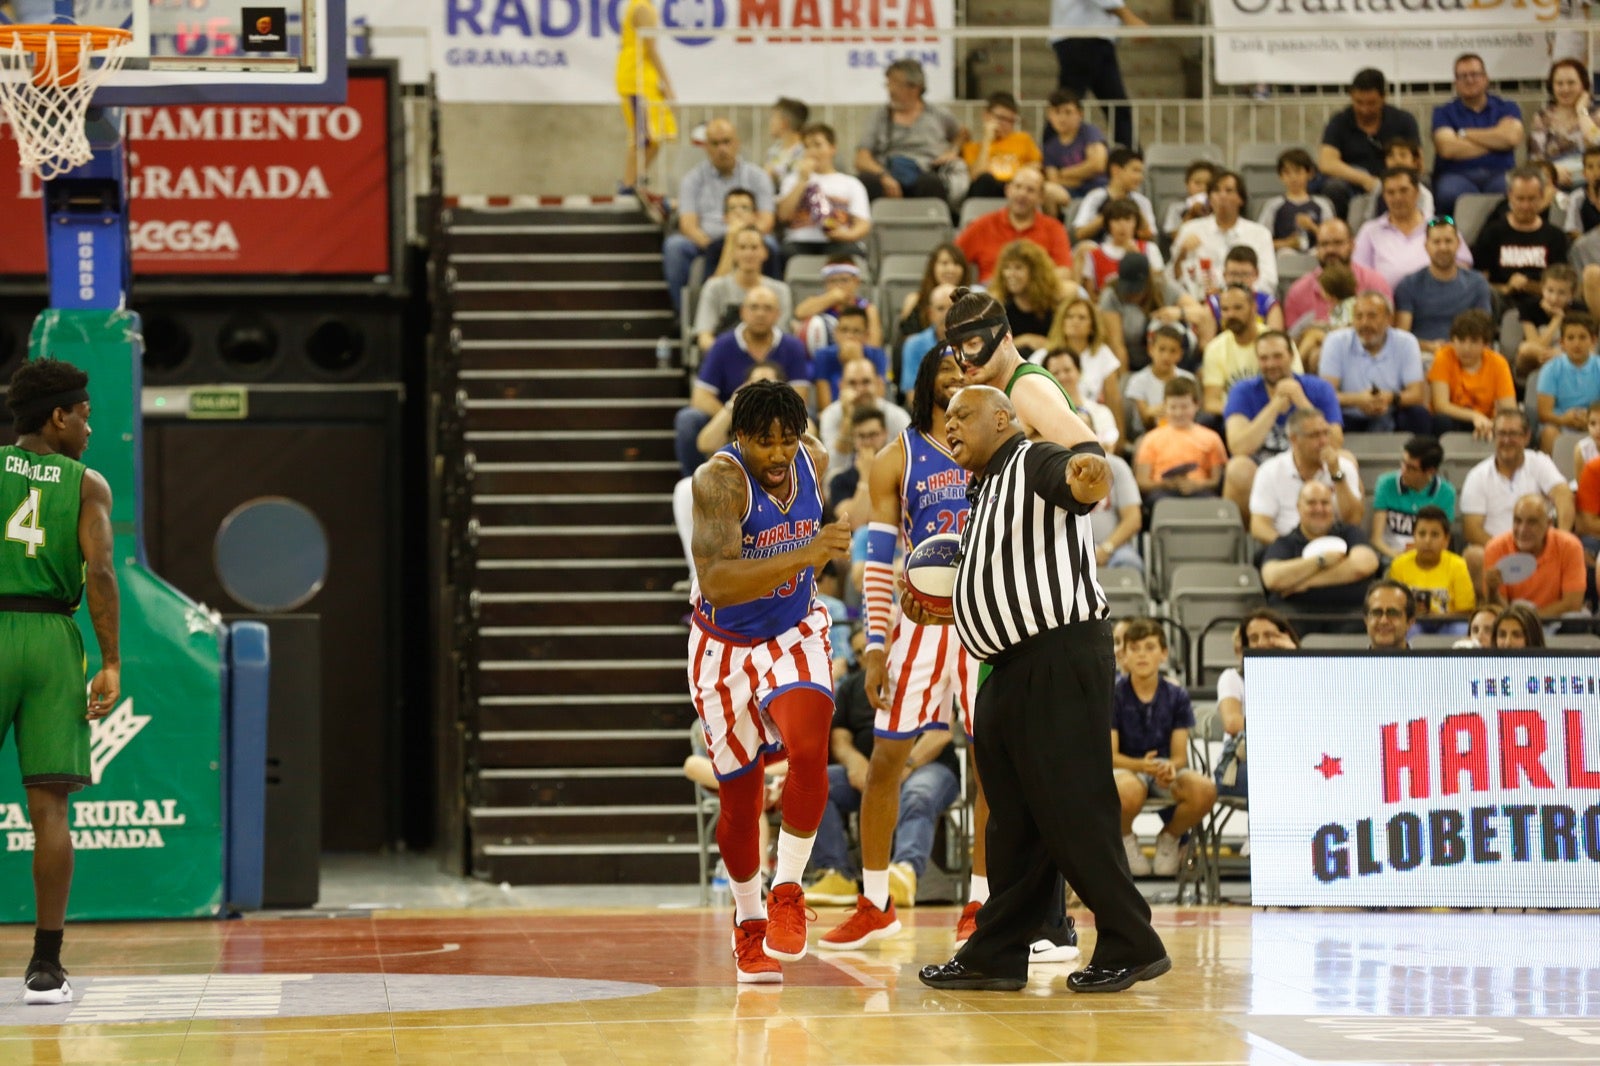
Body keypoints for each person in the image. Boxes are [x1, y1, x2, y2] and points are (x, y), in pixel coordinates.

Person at [917, 385, 1170, 994]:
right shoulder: (982, 491)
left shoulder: (1031, 459)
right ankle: (997, 952)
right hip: (1007, 667)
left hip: (1056, 655)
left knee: (1073, 807)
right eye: (945, 419)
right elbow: (999, 581)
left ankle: (1131, 940)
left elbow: (1077, 483)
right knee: (1015, 825)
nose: (949, 426)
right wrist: (945, 607)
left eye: (963, 416)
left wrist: (1087, 474)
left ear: (1004, 418)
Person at [686, 380, 853, 983]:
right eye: (764, 443)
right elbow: (720, 583)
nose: (779, 455)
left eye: (787, 440)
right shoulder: (720, 481)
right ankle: (749, 920)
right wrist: (809, 553)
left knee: (810, 747)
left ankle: (787, 891)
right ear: (739, 439)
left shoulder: (815, 459)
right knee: (740, 795)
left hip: (794, 631)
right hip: (723, 645)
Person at [818, 351, 984, 951]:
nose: (958, 380)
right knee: (887, 758)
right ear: (924, 384)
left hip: (988, 622)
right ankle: (875, 901)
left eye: (967, 373)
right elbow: (882, 563)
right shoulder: (897, 457)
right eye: (947, 373)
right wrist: (876, 646)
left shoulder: (997, 443)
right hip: (920, 625)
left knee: (992, 765)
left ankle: (982, 904)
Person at [0, 358, 120, 1006]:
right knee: (49, 810)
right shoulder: (86, 484)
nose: (89, 429)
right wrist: (111, 660)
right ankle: (46, 968)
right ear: (58, 416)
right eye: (85, 416)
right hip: (50, 639)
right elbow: (99, 573)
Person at [808, 622, 961, 926]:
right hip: (868, 772)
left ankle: (903, 873)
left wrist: (903, 767)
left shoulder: (929, 670)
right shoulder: (852, 687)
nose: (867, 656)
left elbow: (941, 734)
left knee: (918, 794)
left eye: (873, 647)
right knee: (816, 786)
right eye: (859, 653)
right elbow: (839, 738)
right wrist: (855, 764)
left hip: (927, 766)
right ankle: (837, 874)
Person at [1111, 619, 1216, 879]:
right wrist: (1140, 766)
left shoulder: (1177, 695)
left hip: (1163, 771)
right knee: (1129, 790)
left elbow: (1180, 756)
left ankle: (1170, 837)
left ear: (1164, 653)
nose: (1142, 654)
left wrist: (1170, 767)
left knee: (1204, 789)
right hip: (1126, 770)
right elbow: (1109, 757)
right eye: (1135, 648)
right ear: (1124, 654)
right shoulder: (1113, 694)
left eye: (1149, 647)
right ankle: (1126, 838)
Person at [674, 286, 812, 477]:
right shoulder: (723, 345)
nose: (760, 313)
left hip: (781, 416)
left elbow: (800, 399)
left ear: (778, 314)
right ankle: (695, 482)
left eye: (767, 308)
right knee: (688, 419)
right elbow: (700, 397)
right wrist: (736, 412)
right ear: (743, 312)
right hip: (730, 416)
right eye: (754, 307)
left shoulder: (793, 346)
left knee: (808, 418)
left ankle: (796, 483)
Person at [1221, 329, 1342, 525]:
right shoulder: (1242, 391)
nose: (1271, 364)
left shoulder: (1319, 388)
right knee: (1237, 468)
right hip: (1260, 469)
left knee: (1347, 461)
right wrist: (1275, 404)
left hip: (1309, 465)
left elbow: (1335, 443)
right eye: (1264, 358)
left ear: (1291, 356)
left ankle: (1340, 533)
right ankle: (1247, 539)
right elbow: (1238, 447)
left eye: (1277, 356)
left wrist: (1299, 399)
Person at [664, 119, 775, 312]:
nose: (722, 149)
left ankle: (771, 304)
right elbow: (687, 224)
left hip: (749, 236)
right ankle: (685, 314)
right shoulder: (692, 179)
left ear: (737, 143)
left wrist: (744, 241)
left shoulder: (758, 177)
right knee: (675, 246)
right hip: (705, 242)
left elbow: (766, 221)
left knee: (771, 245)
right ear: (706, 147)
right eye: (715, 144)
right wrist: (713, 246)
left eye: (726, 142)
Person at [1260, 481, 1381, 621]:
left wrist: (1304, 583)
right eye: (1311, 503)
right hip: (1298, 618)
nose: (1319, 509)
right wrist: (1320, 560)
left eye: (1325, 503)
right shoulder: (1286, 542)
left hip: (1353, 616)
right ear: (1298, 507)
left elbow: (1364, 564)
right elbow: (1272, 578)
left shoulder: (1350, 533)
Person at [1216, 609, 1299, 807]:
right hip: (1240, 762)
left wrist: (1296, 657)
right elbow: (1232, 723)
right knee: (1280, 782)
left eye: (1270, 635)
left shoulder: (1298, 675)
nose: (1262, 643)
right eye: (1254, 638)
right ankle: (1260, 838)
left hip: (1288, 760)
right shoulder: (1232, 677)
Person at [1249, 408, 1364, 549]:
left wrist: (1336, 474)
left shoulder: (1343, 467)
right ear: (1294, 439)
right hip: (1289, 549)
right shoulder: (1270, 471)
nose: (1323, 441)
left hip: (1336, 546)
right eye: (1315, 436)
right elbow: (1259, 527)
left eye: (1325, 433)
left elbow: (1354, 520)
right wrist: (1291, 547)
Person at [855, 58, 966, 203]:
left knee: (931, 183)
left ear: (915, 88)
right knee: (866, 182)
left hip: (927, 172)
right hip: (889, 173)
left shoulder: (938, 114)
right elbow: (861, 159)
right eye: (888, 83)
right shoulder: (879, 116)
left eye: (895, 83)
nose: (890, 89)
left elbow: (962, 133)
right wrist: (883, 176)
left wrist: (953, 150)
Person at [1317, 292, 1430, 434]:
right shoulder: (1335, 341)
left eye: (1372, 316)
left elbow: (1417, 394)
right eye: (1359, 317)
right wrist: (1358, 400)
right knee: (1326, 415)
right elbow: (1326, 394)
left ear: (1389, 319)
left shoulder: (1406, 342)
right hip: (1349, 414)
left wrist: (1389, 398)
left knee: (1418, 415)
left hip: (1391, 410)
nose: (1364, 323)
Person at [1317, 68, 1423, 218]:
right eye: (1359, 102)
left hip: (1393, 181)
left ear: (1383, 97)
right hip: (1352, 183)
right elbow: (1326, 162)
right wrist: (1365, 180)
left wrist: (1388, 181)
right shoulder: (1339, 121)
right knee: (1333, 188)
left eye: (1371, 103)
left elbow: (1418, 162)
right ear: (1351, 96)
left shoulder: (1404, 120)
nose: (1364, 109)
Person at [1472, 165, 1570, 326]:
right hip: (1501, 302)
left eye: (1531, 199)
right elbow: (1478, 281)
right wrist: (1506, 288)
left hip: (1544, 304)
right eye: (1520, 199)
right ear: (1510, 197)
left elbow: (1563, 286)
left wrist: (1529, 286)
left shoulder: (1555, 236)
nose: (1525, 206)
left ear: (1541, 197)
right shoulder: (1493, 232)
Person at [1432, 53, 1526, 214]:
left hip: (1500, 173)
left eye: (1475, 74)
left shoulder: (1508, 107)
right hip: (1456, 175)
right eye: (1463, 76)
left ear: (1486, 78)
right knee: (1449, 193)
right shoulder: (1443, 112)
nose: (1469, 80)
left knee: (1511, 192)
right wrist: (1496, 142)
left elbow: (1511, 138)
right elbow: (1448, 149)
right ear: (1456, 82)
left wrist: (1463, 134)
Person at [1354, 168, 1473, 292]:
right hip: (1384, 305)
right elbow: (1359, 274)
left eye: (1403, 190)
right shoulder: (1370, 230)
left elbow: (1463, 265)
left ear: (1417, 192)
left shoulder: (1439, 225)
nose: (1398, 198)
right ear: (1384, 196)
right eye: (1391, 192)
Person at [1048, 0, 1145, 151]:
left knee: (1117, 105)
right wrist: (1130, 18)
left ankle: (1130, 158)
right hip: (1081, 38)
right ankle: (1050, 156)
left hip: (1095, 39)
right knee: (1067, 104)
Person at [1169, 171, 1277, 299]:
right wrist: (1182, 253)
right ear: (1209, 198)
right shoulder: (1190, 229)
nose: (1222, 196)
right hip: (1199, 303)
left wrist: (1231, 294)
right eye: (1216, 191)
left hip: (1246, 304)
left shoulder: (1259, 234)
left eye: (1229, 190)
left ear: (1241, 199)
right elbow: (1174, 279)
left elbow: (1269, 281)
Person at [957, 166, 1074, 284]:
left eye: (1030, 190)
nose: (1022, 194)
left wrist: (1029, 280)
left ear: (1041, 197)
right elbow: (953, 257)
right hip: (991, 292)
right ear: (1008, 190)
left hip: (1037, 293)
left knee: (1074, 290)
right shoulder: (983, 225)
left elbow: (1065, 272)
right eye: (1018, 187)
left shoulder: (1054, 228)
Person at [1392, 217, 1494, 352]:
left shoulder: (1477, 283)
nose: (1443, 247)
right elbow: (1401, 338)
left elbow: (1484, 331)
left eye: (1448, 241)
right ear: (1426, 246)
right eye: (1436, 242)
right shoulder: (1408, 285)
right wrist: (1429, 347)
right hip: (1423, 356)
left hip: (1466, 355)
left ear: (1458, 244)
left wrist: (1456, 348)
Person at [693, 225, 794, 355]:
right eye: (742, 247)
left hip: (769, 360)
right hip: (725, 359)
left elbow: (782, 337)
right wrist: (730, 358)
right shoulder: (714, 287)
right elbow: (704, 338)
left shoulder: (781, 290)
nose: (748, 253)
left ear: (765, 252)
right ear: (733, 253)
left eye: (754, 247)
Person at [776, 123, 872, 260]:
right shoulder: (792, 180)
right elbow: (783, 215)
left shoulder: (851, 183)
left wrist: (848, 235)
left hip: (839, 241)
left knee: (850, 253)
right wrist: (802, 179)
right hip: (800, 241)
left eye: (817, 145)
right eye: (807, 147)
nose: (812, 152)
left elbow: (863, 223)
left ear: (832, 148)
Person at [1483, 494, 1587, 617]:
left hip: (1556, 619)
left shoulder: (1570, 546)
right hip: (1512, 622)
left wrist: (1532, 622)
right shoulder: (1495, 548)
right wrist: (1493, 591)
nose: (1522, 530)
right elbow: (1498, 608)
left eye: (1532, 522)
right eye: (1517, 521)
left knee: (1576, 618)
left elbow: (1572, 604)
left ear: (1548, 523)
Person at [1284, 219, 1394, 332]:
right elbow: (1294, 341)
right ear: (1316, 249)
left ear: (1352, 245)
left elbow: (1386, 333)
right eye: (1324, 244)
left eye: (1338, 243)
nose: (1331, 250)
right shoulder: (1298, 292)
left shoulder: (1375, 284)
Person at [614, 0, 676, 199]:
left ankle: (632, 182)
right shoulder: (641, 8)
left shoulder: (643, 7)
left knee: (655, 136)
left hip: (643, 78)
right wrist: (667, 83)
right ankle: (628, 185)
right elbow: (651, 49)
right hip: (636, 79)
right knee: (644, 137)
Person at [1133, 377, 1227, 502]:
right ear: (1165, 406)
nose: (1178, 413)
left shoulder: (1212, 438)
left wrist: (1197, 485)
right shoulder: (1151, 439)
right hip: (1161, 494)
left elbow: (1216, 481)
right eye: (1173, 407)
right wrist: (1165, 484)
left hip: (1200, 492)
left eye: (1184, 407)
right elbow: (1142, 481)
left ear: (1196, 405)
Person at [1426, 309, 1515, 437]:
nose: (1466, 349)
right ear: (1453, 340)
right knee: (1442, 420)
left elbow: (1509, 408)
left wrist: (1492, 423)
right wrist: (1474, 416)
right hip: (1453, 419)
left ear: (1486, 344)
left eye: (1473, 342)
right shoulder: (1443, 357)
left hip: (1486, 422)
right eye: (1461, 341)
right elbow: (1440, 405)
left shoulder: (1498, 363)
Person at [1370, 435, 1457, 561]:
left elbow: (1442, 541)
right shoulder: (1385, 483)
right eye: (1403, 463)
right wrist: (1399, 557)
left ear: (1430, 471)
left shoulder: (1446, 492)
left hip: (1429, 558)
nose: (1403, 471)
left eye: (1411, 468)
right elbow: (1376, 539)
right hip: (1392, 556)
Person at [1387, 505, 1476, 618]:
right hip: (1412, 623)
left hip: (1448, 624)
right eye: (1422, 534)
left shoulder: (1458, 565)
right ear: (1414, 536)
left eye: (1434, 535)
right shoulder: (1399, 565)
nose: (1427, 541)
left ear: (1446, 540)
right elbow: (1393, 607)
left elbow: (1466, 612)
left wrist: (1437, 618)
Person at [1527, 58, 1600, 189]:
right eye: (1559, 84)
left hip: (1592, 182)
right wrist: (1553, 171)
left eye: (1571, 83)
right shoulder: (1542, 117)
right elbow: (1535, 160)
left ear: (1583, 85)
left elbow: (1596, 141)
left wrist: (1581, 110)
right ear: (1552, 87)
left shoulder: (1595, 115)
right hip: (1553, 182)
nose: (1565, 89)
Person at [1536, 311, 1600, 453]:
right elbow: (1544, 413)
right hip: (1559, 424)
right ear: (1562, 343)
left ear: (1593, 340)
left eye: (1583, 337)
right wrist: (1564, 419)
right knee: (1548, 433)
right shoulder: (1550, 369)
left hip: (1595, 424)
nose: (1576, 343)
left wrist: (1591, 421)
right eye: (1570, 338)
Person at [990, 240, 1069, 354]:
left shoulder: (1054, 306)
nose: (1011, 274)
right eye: (1007, 268)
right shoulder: (1001, 309)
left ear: (1035, 273)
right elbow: (994, 350)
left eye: (1018, 267)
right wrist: (1025, 340)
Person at [964, 91, 1043, 200]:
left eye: (1011, 121)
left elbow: (1037, 167)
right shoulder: (972, 147)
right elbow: (977, 177)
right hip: (988, 189)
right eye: (1000, 118)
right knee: (985, 180)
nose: (1005, 124)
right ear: (986, 116)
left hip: (1016, 188)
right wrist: (987, 140)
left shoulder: (1023, 139)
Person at [1079, 198, 1164, 298]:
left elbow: (1160, 284)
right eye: (1116, 220)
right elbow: (1091, 295)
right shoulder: (1093, 255)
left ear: (1136, 223)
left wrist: (1138, 257)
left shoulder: (1149, 249)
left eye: (1128, 220)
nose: (1122, 225)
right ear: (1108, 224)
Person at [1040, 89, 1109, 208]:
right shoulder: (1049, 147)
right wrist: (1084, 173)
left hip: (1100, 189)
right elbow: (1053, 180)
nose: (1062, 118)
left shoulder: (1090, 132)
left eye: (1068, 112)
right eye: (1057, 112)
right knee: (1047, 190)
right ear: (1049, 115)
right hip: (1069, 193)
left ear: (1080, 114)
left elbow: (1098, 165)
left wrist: (1063, 173)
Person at [896, 244, 971, 352]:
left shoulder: (973, 301)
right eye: (944, 263)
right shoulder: (915, 300)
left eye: (956, 264)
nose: (951, 269)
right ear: (933, 267)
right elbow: (903, 343)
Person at [1258, 149, 1336, 253]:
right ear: (1280, 176)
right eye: (1287, 172)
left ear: (1310, 173)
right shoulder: (1273, 205)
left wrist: (1313, 227)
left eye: (1298, 171)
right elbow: (1260, 240)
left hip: (1315, 254)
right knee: (1286, 252)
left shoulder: (1322, 204)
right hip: (1283, 256)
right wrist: (1286, 243)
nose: (1293, 178)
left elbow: (1334, 239)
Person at [812, 306, 889, 412]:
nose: (849, 336)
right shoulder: (823, 356)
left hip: (868, 415)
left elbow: (878, 400)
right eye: (844, 330)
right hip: (835, 415)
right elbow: (824, 406)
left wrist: (857, 360)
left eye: (856, 331)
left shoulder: (877, 355)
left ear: (866, 335)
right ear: (836, 333)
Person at [1072, 148, 1157, 242]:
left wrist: (1137, 211)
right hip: (1100, 250)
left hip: (1131, 251)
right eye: (1135, 170)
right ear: (1115, 170)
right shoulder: (1095, 197)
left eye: (1141, 172)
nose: (1140, 177)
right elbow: (1080, 234)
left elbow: (1150, 237)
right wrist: (1108, 213)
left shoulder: (1142, 201)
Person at [1125, 323, 1197, 433]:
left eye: (1173, 351)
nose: (1166, 356)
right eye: (1161, 349)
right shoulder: (1138, 380)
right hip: (1147, 433)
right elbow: (1145, 418)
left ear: (1180, 354)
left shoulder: (1188, 379)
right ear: (1151, 349)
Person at [1516, 263, 1578, 377]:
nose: (1554, 298)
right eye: (1550, 291)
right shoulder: (1528, 307)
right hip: (1537, 360)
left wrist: (1562, 355)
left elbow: (1584, 347)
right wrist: (1557, 319)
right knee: (1525, 349)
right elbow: (1536, 345)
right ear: (1542, 288)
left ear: (1571, 295)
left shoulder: (1579, 311)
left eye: (1562, 293)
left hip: (1568, 359)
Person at [900, 283, 956, 396]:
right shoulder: (914, 345)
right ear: (930, 313)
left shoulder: (974, 343)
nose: (947, 314)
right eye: (940, 308)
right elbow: (912, 394)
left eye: (953, 307)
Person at [764, 96, 809, 192]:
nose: (770, 122)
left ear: (784, 123)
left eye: (773, 117)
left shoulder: (807, 151)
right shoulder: (773, 151)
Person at [1363, 579, 1416, 650]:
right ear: (1366, 620)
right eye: (1377, 613)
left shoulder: (1425, 661)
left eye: (1392, 613)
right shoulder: (1349, 661)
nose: (1383, 621)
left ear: (1410, 622)